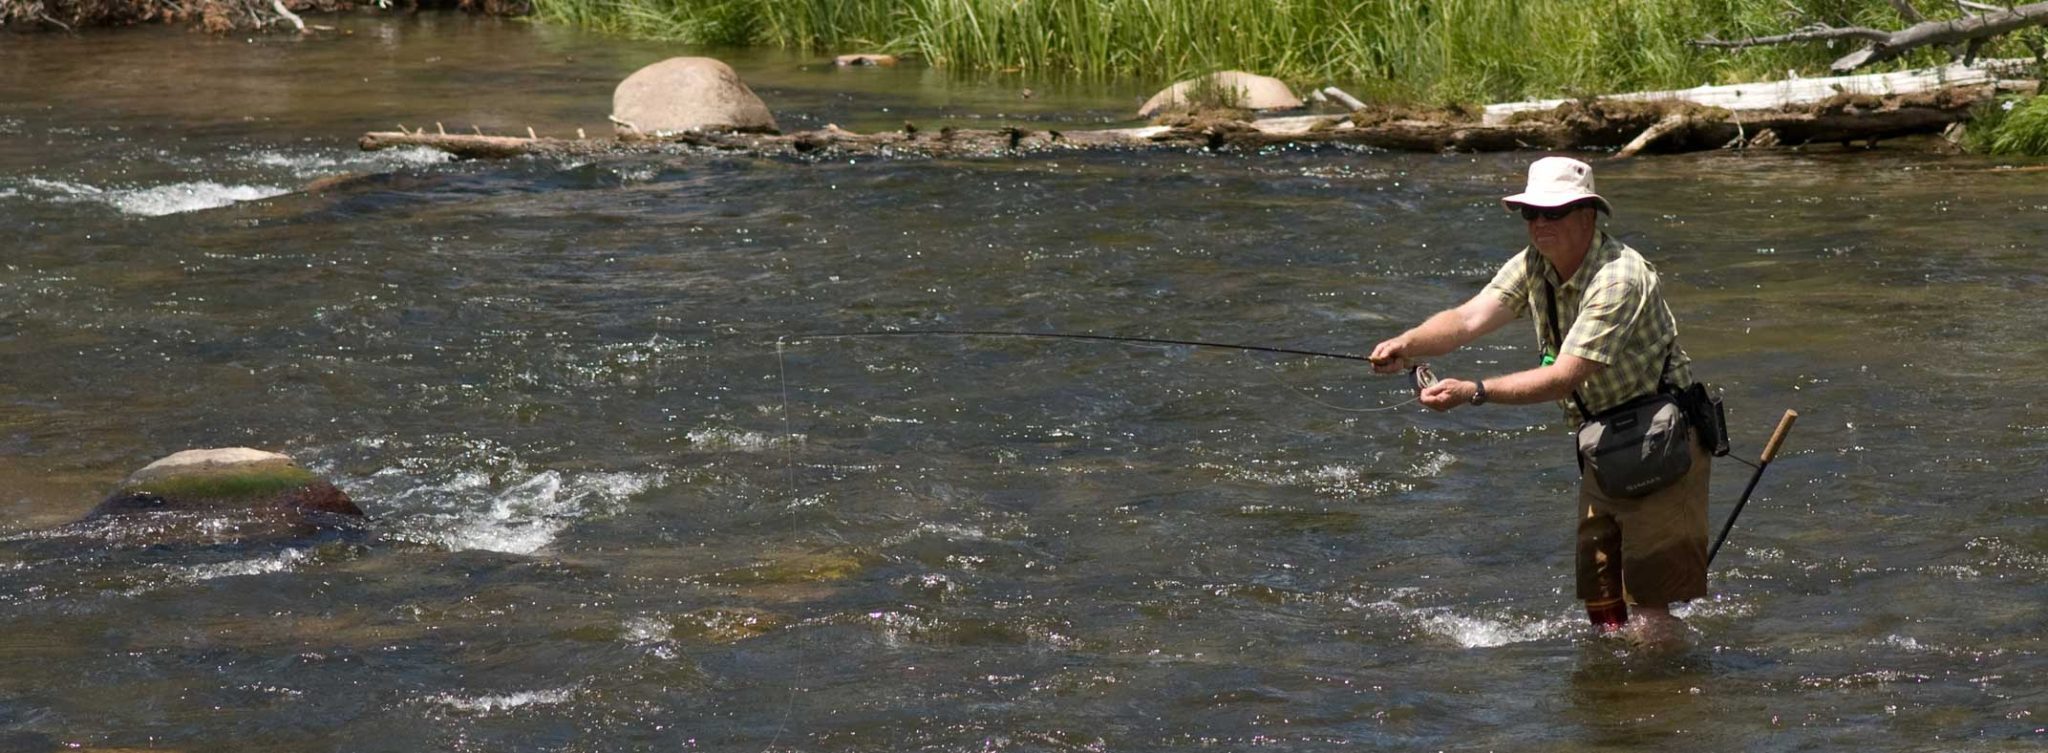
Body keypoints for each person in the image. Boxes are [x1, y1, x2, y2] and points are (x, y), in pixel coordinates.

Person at [1367, 156, 1711, 643]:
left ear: (1588, 215)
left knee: (1650, 611)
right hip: (1604, 444)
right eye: (1532, 214)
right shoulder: (1534, 263)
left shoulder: (1620, 279)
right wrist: (1409, 343)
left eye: (1554, 213)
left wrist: (1475, 392)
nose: (1539, 224)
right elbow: (1467, 319)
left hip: (1664, 442)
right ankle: (1614, 704)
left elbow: (1564, 376)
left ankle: (1675, 698)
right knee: (1604, 607)